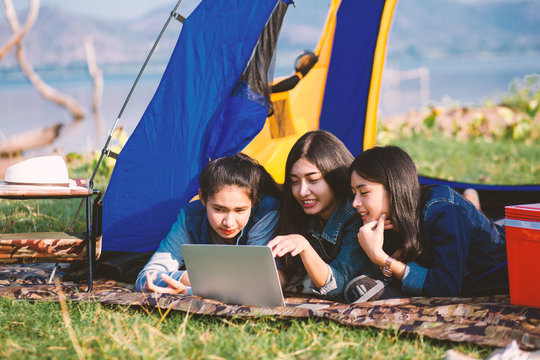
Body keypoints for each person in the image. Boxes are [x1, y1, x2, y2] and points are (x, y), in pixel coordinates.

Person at [348, 145, 508, 300]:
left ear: (394, 188)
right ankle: (471, 200)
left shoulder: (443, 210)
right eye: (354, 193)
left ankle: (471, 200)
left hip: (500, 260)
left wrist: (382, 258)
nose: (355, 203)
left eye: (364, 192)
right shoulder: (388, 220)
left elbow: (446, 288)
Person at [135, 153, 281, 294]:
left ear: (254, 202)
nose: (229, 223)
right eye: (219, 209)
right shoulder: (190, 217)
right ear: (203, 198)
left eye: (240, 210)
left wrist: (189, 289)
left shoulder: (266, 212)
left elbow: (259, 279)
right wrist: (186, 278)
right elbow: (146, 278)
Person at [268, 130, 378, 301]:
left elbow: (337, 286)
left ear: (334, 177)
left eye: (313, 180)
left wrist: (304, 247)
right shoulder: (295, 210)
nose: (302, 192)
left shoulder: (356, 215)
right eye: (295, 181)